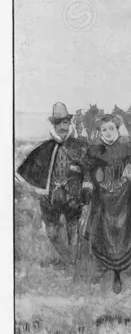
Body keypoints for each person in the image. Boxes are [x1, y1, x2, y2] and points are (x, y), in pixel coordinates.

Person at [16, 102, 90, 260]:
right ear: (54, 125)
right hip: (49, 197)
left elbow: (89, 168)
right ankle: (67, 258)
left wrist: (86, 187)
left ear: (69, 123)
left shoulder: (80, 146)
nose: (62, 127)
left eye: (65, 122)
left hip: (73, 195)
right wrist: (36, 189)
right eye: (58, 123)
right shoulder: (44, 148)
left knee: (74, 230)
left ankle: (73, 263)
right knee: (52, 233)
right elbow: (26, 172)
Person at [83, 115, 131, 293]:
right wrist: (88, 185)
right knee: (103, 232)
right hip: (101, 198)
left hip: (125, 198)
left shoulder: (128, 147)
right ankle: (107, 268)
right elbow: (86, 170)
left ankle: (121, 270)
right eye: (104, 129)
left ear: (118, 129)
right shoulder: (94, 150)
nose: (108, 132)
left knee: (123, 233)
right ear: (99, 132)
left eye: (111, 128)